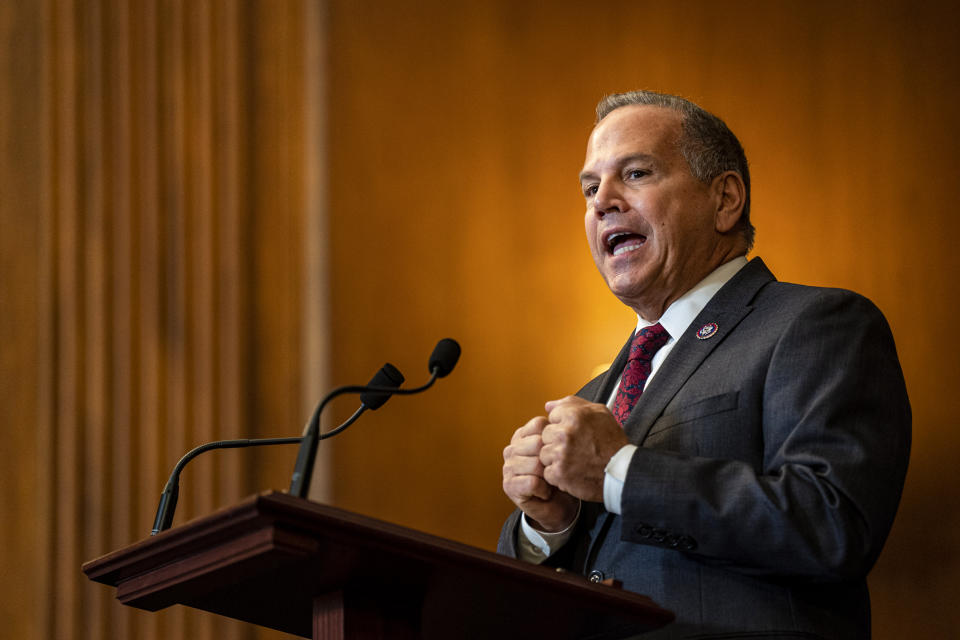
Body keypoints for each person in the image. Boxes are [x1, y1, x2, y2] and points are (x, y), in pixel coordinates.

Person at [498, 90, 911, 639]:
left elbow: (830, 525)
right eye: (591, 188)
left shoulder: (817, 324)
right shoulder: (597, 391)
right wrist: (548, 525)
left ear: (725, 200)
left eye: (637, 173)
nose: (602, 202)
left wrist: (621, 471)